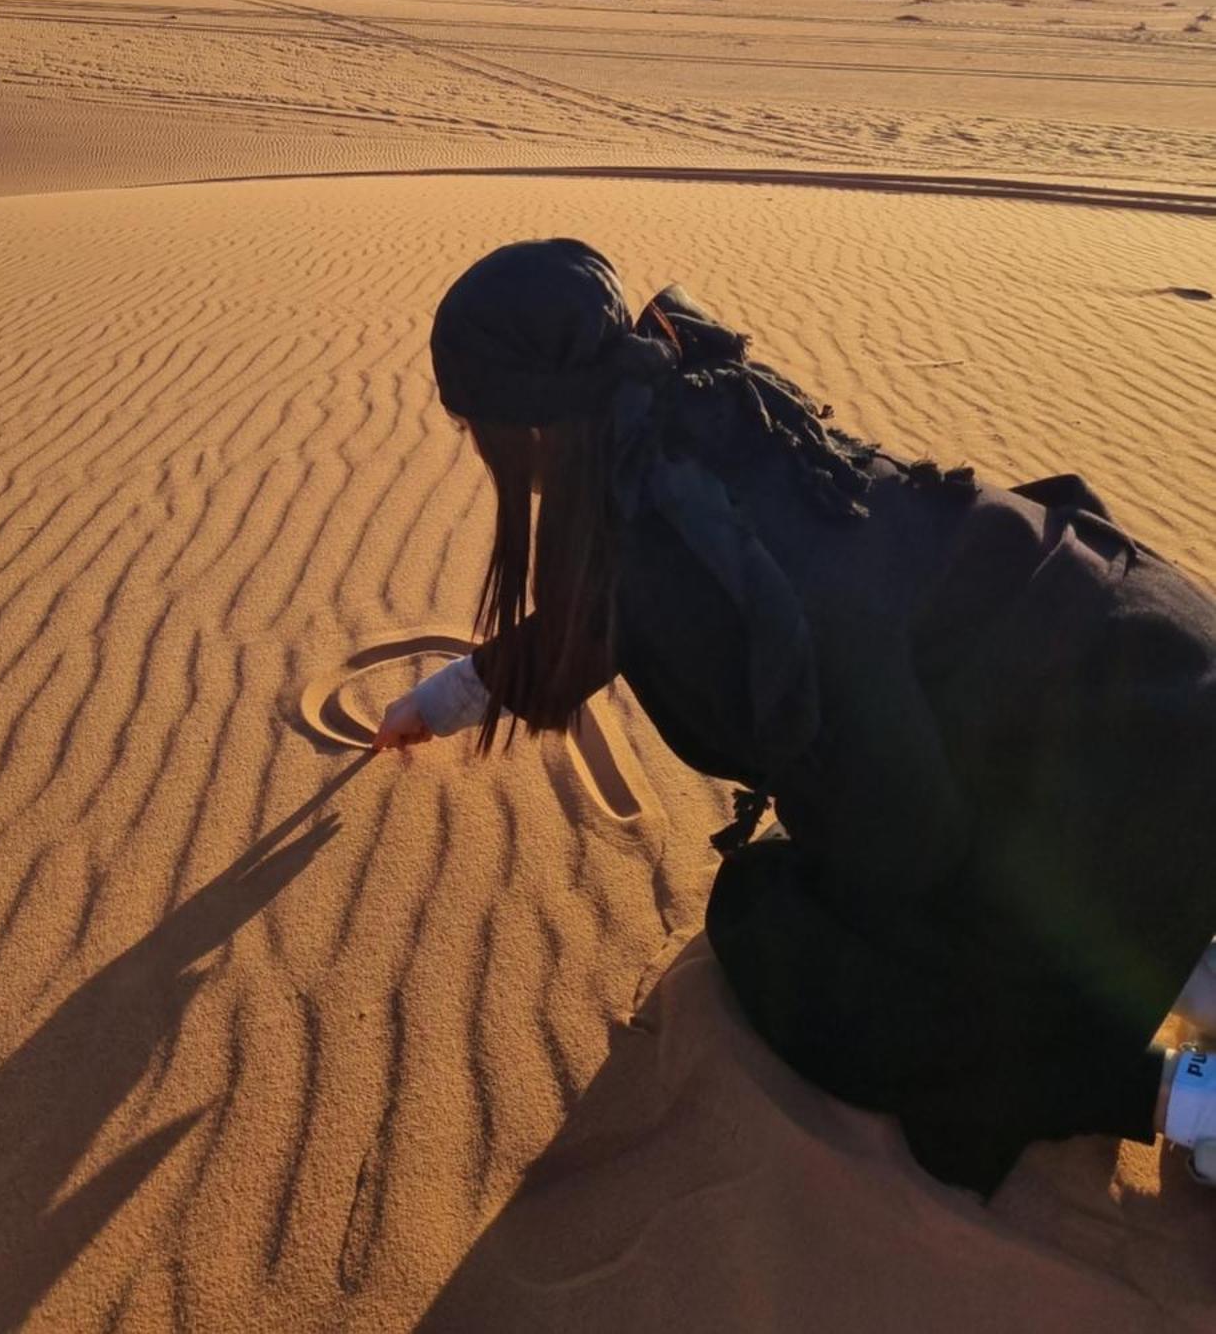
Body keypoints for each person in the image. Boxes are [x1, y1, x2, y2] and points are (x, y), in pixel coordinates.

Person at [372, 238, 1216, 1199]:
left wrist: (833, 844)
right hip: (1156, 650)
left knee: (790, 937)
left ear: (523, 425)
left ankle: (1191, 1101)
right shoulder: (702, 404)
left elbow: (914, 839)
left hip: (1106, 782)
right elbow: (600, 616)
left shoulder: (658, 551)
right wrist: (446, 698)